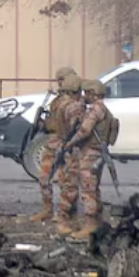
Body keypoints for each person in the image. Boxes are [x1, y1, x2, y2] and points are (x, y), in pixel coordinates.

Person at [60, 79, 112, 238]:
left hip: (90, 154)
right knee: (94, 189)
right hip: (97, 152)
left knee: (88, 190)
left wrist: (70, 143)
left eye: (87, 93)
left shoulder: (95, 110)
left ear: (93, 93)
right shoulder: (102, 108)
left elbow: (84, 130)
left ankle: (91, 225)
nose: (84, 96)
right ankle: (97, 222)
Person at [30, 68, 81, 223]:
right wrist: (43, 124)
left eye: (62, 79)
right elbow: (54, 120)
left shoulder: (75, 101)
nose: (59, 82)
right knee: (44, 177)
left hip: (66, 145)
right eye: (58, 79)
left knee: (67, 181)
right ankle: (47, 209)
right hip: (52, 143)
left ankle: (68, 212)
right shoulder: (57, 100)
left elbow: (75, 126)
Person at [48, 75, 93, 232]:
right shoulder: (73, 107)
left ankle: (71, 221)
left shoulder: (59, 104)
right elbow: (78, 128)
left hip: (63, 146)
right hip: (71, 149)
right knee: (71, 187)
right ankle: (62, 219)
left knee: (67, 183)